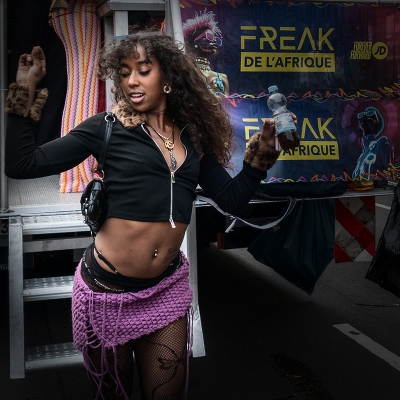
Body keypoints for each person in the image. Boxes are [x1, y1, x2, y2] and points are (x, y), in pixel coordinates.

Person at [5, 30, 289, 400]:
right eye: (124, 73)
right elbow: (21, 164)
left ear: (168, 77)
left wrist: (259, 159)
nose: (131, 81)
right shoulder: (106, 128)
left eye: (143, 70)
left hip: (165, 290)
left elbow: (232, 200)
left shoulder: (193, 139)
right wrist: (24, 91)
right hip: (106, 293)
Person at [182, 9, 229, 97]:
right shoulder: (186, 74)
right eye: (209, 37)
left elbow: (227, 103)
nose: (214, 41)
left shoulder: (223, 77)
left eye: (215, 39)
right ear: (194, 43)